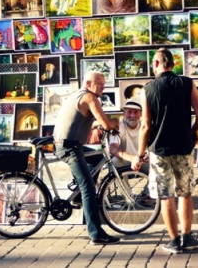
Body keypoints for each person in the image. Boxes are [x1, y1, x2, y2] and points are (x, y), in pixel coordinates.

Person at [138, 48, 198, 253]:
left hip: (159, 149)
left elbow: (146, 125)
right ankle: (188, 236)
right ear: (173, 64)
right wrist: (192, 132)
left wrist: (141, 151)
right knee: (185, 193)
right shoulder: (186, 83)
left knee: (165, 195)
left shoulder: (147, 89)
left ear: (156, 64)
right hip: (183, 147)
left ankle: (174, 241)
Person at [53, 70, 120, 245]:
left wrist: (103, 123)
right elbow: (106, 124)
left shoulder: (77, 95)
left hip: (68, 145)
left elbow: (91, 121)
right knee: (89, 189)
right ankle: (96, 234)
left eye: (104, 85)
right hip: (70, 148)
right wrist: (117, 123)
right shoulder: (90, 98)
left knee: (98, 159)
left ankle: (76, 196)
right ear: (89, 84)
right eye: (100, 85)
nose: (103, 89)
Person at [109, 96, 148, 174]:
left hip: (142, 161)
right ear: (124, 113)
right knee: (114, 161)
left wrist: (146, 155)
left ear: (141, 114)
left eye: (136, 112)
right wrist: (133, 158)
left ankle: (149, 186)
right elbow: (113, 148)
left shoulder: (145, 125)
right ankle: (123, 186)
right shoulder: (119, 126)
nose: (132, 116)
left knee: (156, 162)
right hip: (125, 160)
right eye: (129, 112)